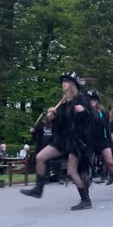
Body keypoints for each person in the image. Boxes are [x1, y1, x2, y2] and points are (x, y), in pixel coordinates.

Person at [20, 71, 94, 211]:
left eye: (66, 81)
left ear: (72, 84)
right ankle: (38, 189)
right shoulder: (63, 102)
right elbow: (58, 124)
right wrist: (52, 116)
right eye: (63, 81)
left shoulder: (80, 99)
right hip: (62, 140)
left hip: (76, 141)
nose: (63, 83)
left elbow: (90, 117)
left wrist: (83, 111)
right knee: (40, 157)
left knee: (72, 171)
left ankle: (86, 200)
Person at [87, 90, 113, 190]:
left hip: (102, 139)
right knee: (88, 162)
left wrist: (111, 142)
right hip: (89, 140)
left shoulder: (103, 112)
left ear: (97, 101)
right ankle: (86, 187)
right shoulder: (84, 111)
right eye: (90, 99)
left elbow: (108, 128)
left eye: (94, 99)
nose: (92, 101)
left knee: (110, 161)